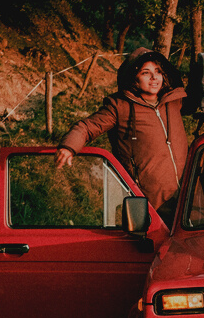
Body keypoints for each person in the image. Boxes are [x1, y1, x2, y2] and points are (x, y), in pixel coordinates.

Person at [56, 48, 188, 218]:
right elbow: (87, 127)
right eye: (146, 73)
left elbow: (200, 100)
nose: (154, 78)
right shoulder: (119, 107)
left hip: (188, 198)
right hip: (149, 205)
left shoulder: (173, 101)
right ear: (134, 78)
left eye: (158, 72)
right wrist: (69, 147)